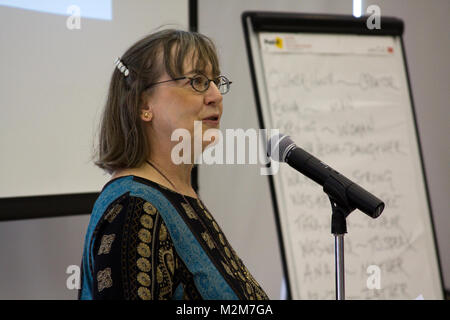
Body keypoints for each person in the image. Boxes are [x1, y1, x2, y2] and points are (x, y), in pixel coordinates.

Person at [78, 29, 269, 300]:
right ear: (144, 104)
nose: (216, 95)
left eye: (215, 81)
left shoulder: (174, 194)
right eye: (197, 81)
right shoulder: (134, 209)